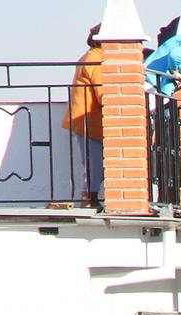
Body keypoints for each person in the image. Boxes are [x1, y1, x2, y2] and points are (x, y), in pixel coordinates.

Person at [63, 25, 105, 207]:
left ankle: (90, 199)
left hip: (87, 121)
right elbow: (104, 94)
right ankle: (89, 201)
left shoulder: (91, 56)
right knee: (94, 166)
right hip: (88, 122)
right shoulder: (96, 59)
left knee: (94, 166)